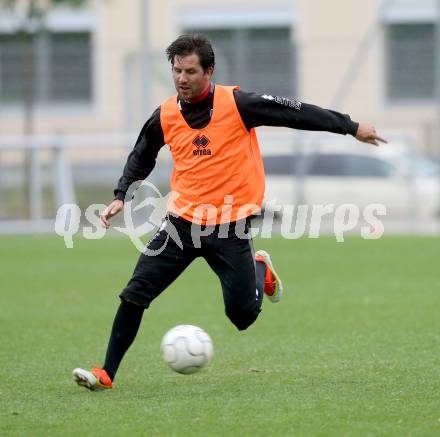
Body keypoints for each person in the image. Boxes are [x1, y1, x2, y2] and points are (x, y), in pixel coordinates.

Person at [73, 33, 386, 391]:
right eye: (177, 71)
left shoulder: (239, 104)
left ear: (209, 71)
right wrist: (121, 193)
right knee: (135, 292)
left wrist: (349, 126)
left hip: (229, 226)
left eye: (190, 71)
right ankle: (107, 372)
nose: (182, 79)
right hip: (181, 224)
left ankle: (259, 268)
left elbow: (294, 112)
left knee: (242, 317)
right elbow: (142, 153)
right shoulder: (165, 114)